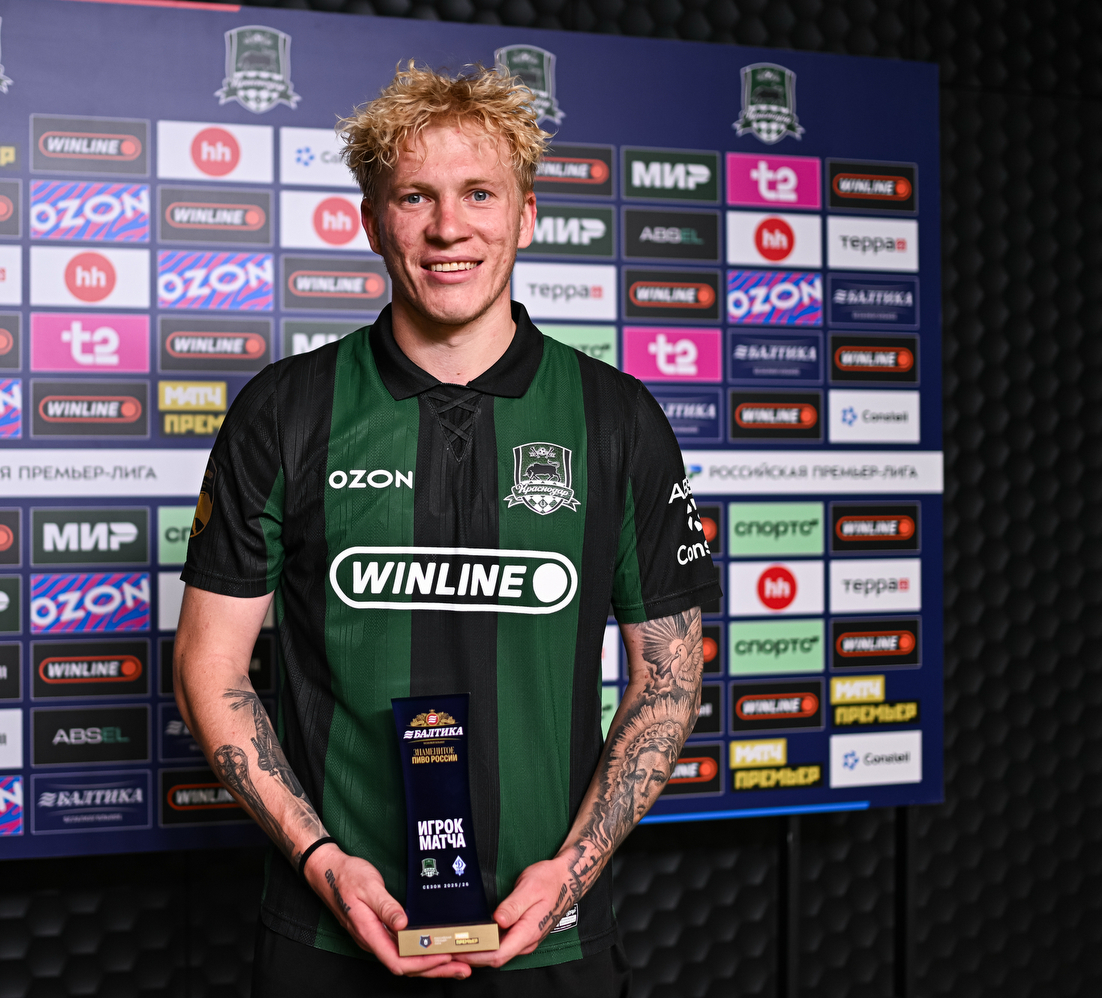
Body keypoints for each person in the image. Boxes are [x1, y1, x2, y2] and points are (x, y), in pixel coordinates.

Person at [174, 62, 722, 996]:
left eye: (478, 193)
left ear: (526, 215)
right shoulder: (287, 410)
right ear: (371, 221)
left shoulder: (616, 418)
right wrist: (322, 863)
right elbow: (209, 666)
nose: (447, 227)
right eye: (414, 196)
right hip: (330, 929)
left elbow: (669, 678)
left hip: (549, 931)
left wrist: (571, 872)